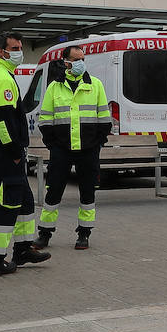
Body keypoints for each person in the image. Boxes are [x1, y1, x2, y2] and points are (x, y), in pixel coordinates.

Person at [0, 32, 50, 277]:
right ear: (2, 51)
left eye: (21, 46)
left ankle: (22, 250)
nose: (19, 51)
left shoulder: (4, 75)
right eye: (15, 47)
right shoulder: (1, 79)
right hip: (6, 154)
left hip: (10, 153)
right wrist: (14, 151)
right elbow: (1, 122)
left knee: (25, 202)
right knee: (6, 205)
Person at [36, 45, 112, 250]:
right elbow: (44, 120)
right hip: (61, 149)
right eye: (76, 59)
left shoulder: (95, 85)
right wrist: (52, 144)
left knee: (88, 193)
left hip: (88, 150)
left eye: (82, 59)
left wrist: (97, 143)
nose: (80, 63)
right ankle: (44, 233)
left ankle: (84, 234)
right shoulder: (54, 87)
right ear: (65, 62)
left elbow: (105, 119)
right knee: (53, 191)